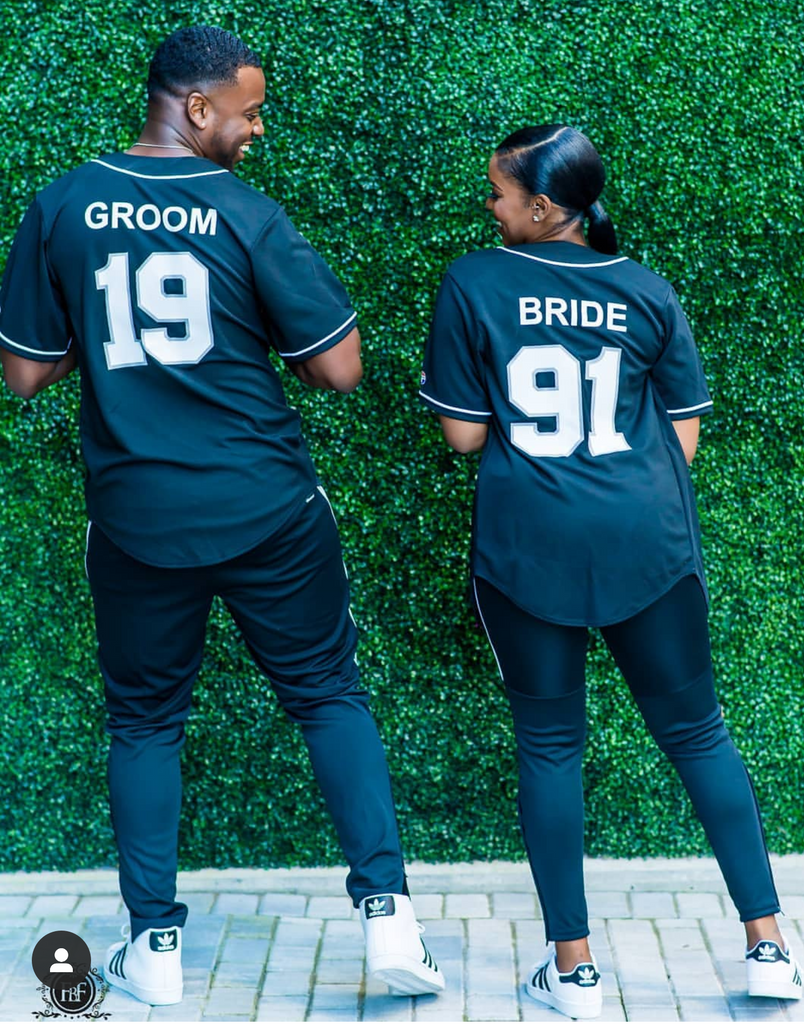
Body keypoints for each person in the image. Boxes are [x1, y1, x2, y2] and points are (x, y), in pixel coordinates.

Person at [0, 25, 444, 1007]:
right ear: (197, 108)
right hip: (268, 508)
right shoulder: (246, 213)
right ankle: (391, 926)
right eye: (248, 114)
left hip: (137, 519)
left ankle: (152, 953)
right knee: (328, 695)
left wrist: (114, 345)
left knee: (146, 722)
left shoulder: (62, 205)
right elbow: (339, 367)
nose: (254, 133)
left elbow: (25, 371)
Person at [419, 124, 802, 1020]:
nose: (489, 206)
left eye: (500, 195)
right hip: (647, 542)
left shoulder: (473, 280)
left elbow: (465, 435)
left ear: (544, 207)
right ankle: (770, 947)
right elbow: (685, 439)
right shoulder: (646, 289)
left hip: (529, 544)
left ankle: (576, 972)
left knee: (552, 747)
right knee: (700, 736)